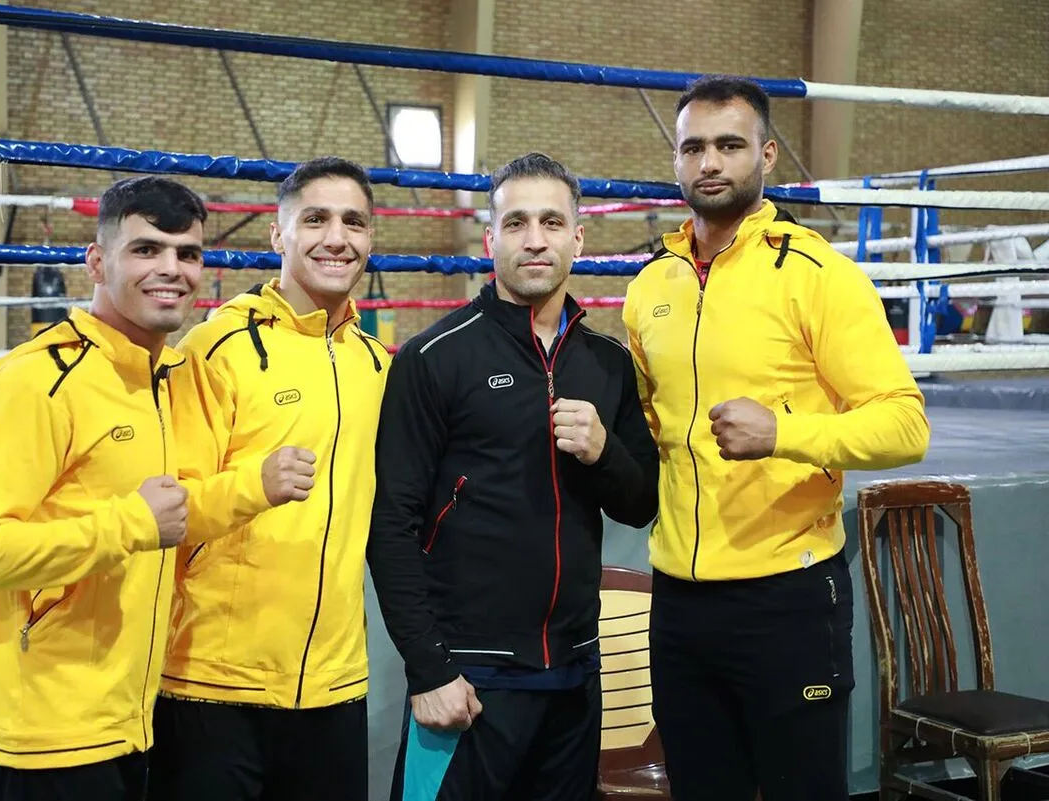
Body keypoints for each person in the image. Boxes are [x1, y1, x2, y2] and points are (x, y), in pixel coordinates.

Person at [622, 75, 932, 801]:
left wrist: (784, 433)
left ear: (766, 155)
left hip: (787, 600)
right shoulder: (650, 287)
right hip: (679, 603)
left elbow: (906, 423)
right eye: (693, 147)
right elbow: (650, 428)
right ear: (675, 160)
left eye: (729, 145)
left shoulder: (819, 274)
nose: (709, 163)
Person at [369, 151, 660, 801]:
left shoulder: (607, 363)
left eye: (551, 222)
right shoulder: (434, 357)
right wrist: (428, 668)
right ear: (490, 238)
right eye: (517, 222)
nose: (535, 239)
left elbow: (641, 502)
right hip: (469, 678)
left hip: (575, 674)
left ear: (577, 239)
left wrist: (604, 451)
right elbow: (390, 524)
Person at [0, 176, 208, 801]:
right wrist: (129, 525)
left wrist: (259, 488)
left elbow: (175, 515)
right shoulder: (36, 382)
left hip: (129, 724)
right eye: (146, 249)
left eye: (187, 253)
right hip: (42, 739)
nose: (171, 269)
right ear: (96, 262)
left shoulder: (162, 380)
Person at [148, 156, 389, 801]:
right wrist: (252, 485)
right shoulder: (216, 348)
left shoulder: (374, 364)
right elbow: (166, 512)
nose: (336, 237)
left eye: (353, 222)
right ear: (278, 235)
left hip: (335, 682)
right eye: (315, 219)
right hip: (214, 682)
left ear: (370, 238)